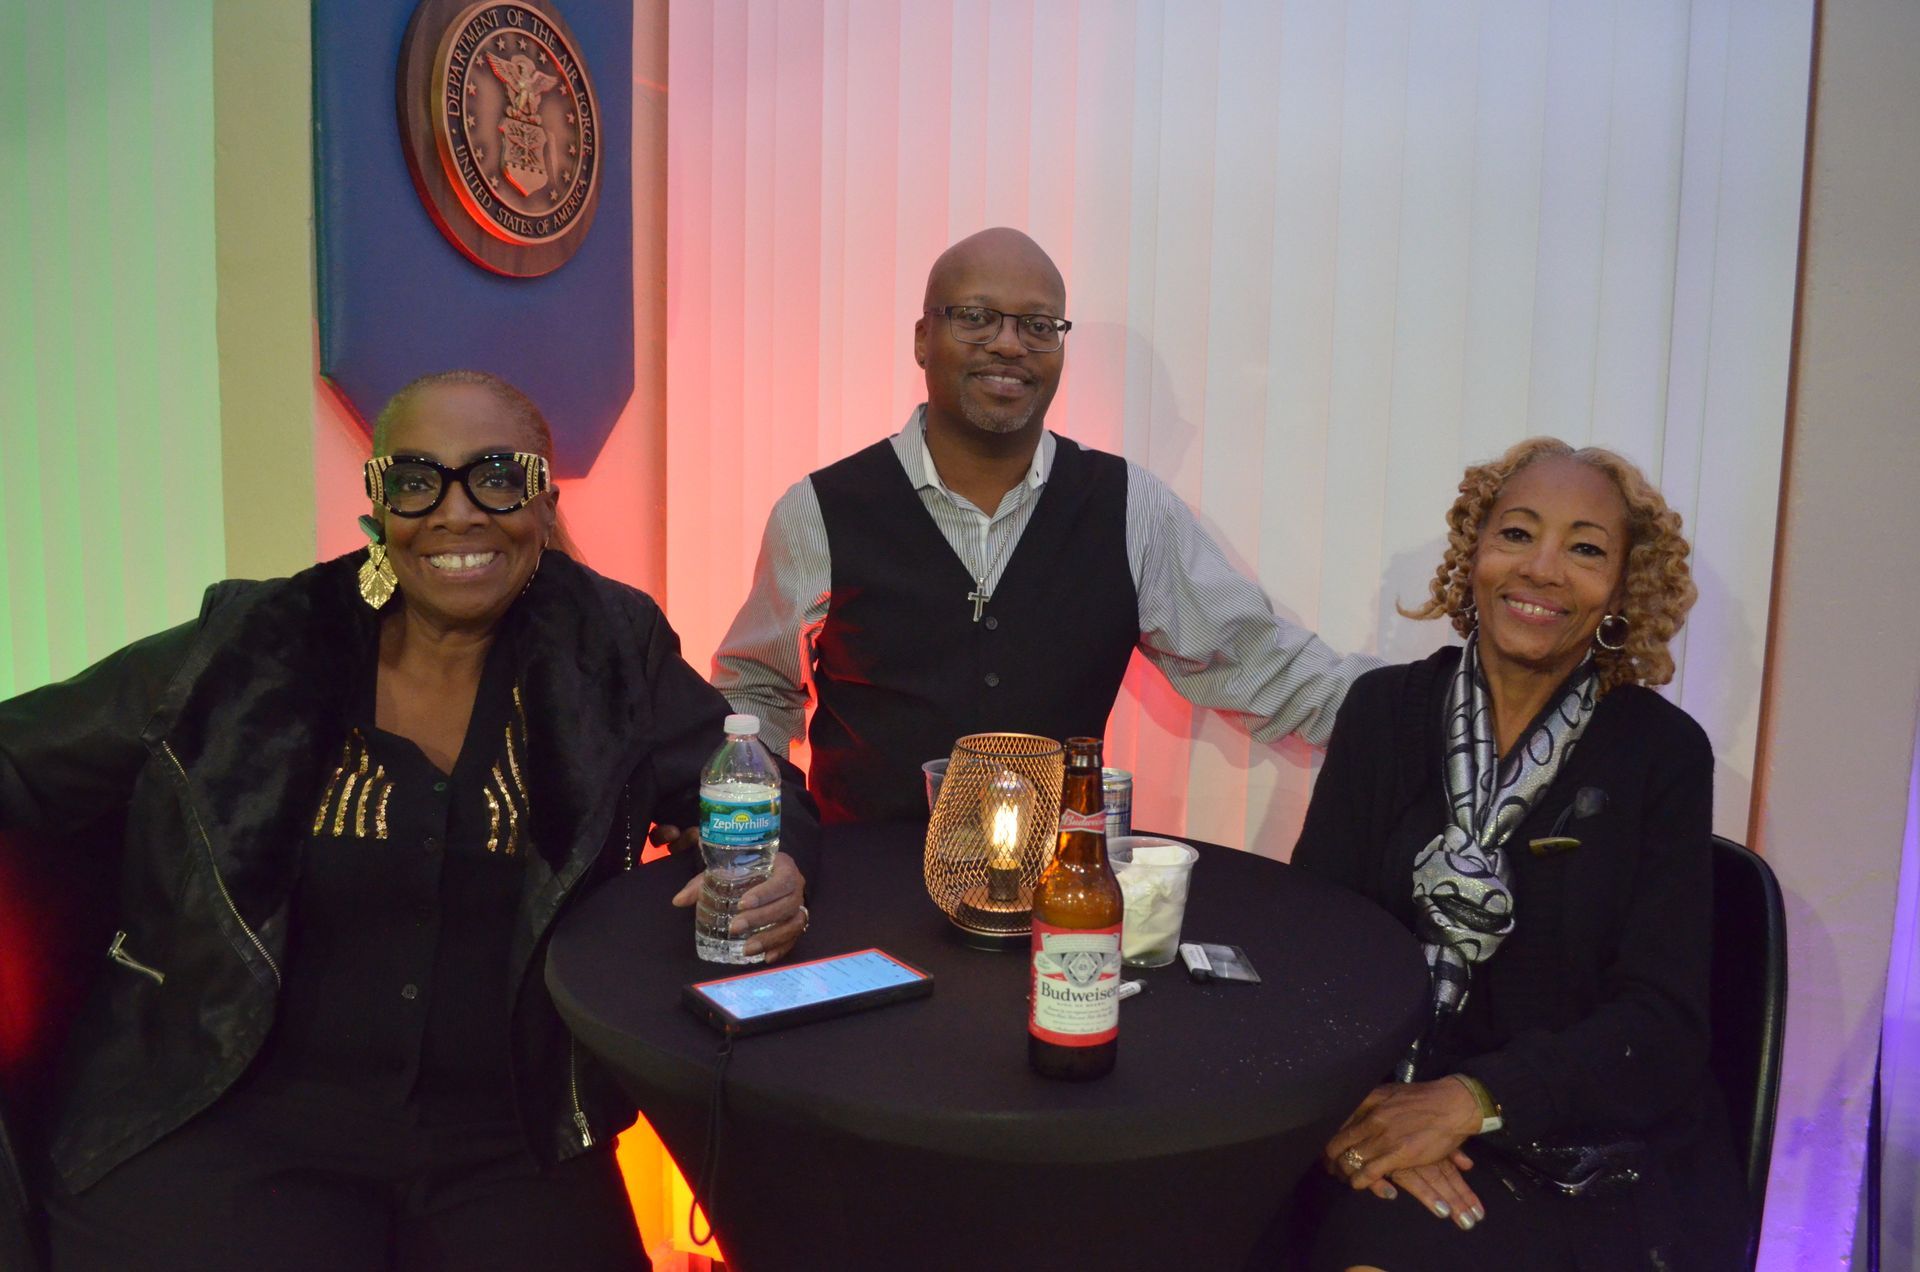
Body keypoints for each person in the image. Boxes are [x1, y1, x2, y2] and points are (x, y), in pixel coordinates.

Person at [0, 370, 817, 1271]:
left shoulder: (611, 650)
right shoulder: (253, 641)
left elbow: (768, 793)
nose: (456, 514)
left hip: (510, 1139)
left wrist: (778, 869)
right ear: (379, 505)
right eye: (417, 480)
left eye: (496, 478)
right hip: (232, 1114)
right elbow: (21, 756)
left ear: (544, 504)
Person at [713, 227, 1374, 822]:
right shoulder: (822, 508)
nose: (1009, 344)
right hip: (862, 884)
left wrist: (1419, 711)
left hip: (1059, 890)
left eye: (1037, 325)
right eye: (976, 317)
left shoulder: (1131, 509)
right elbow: (755, 690)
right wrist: (764, 834)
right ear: (921, 339)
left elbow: (1260, 663)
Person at [1287, 438, 1745, 1271]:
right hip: (1373, 1119)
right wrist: (1364, 1119)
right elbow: (1313, 957)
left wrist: (1468, 1101)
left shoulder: (1661, 754)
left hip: (1568, 1152)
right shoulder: (1383, 714)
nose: (1542, 568)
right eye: (1517, 534)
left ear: (1623, 589)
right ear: (1475, 557)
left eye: (1585, 550)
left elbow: (1661, 1024)